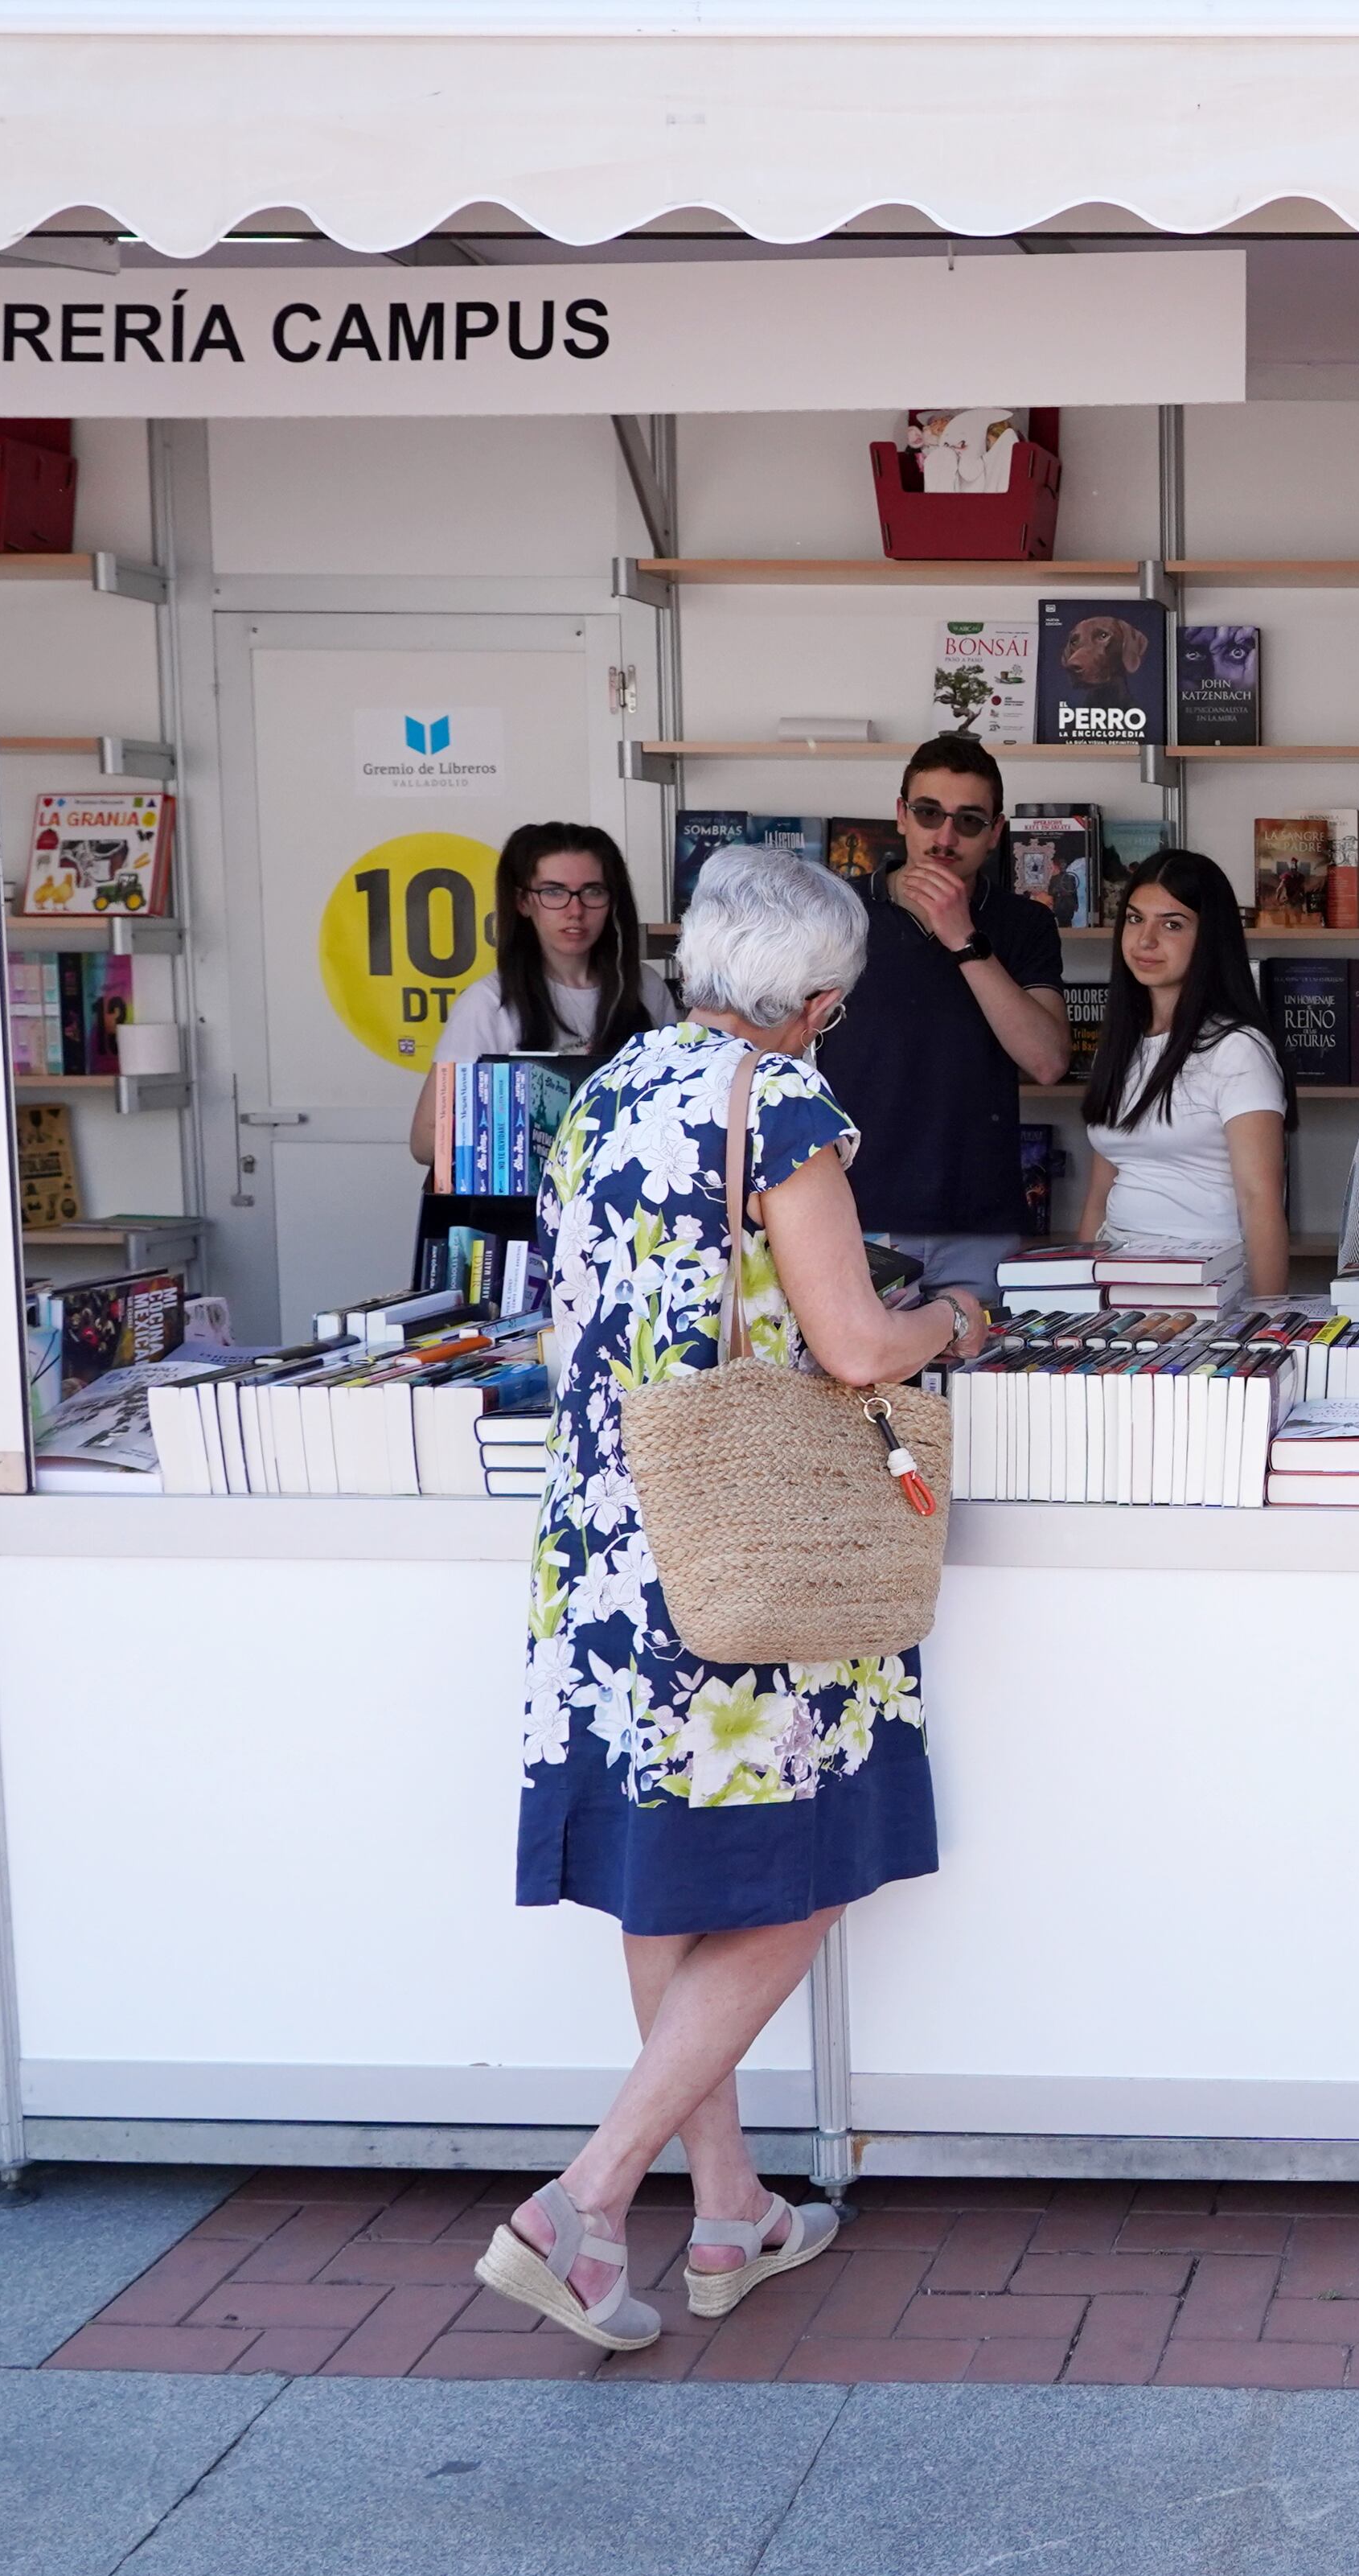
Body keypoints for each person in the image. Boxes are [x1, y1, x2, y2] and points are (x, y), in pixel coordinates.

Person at [481, 844, 987, 2353]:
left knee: (671, 1872)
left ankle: (729, 2211)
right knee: (806, 1862)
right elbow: (851, 1343)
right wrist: (954, 1311)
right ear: (819, 998)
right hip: (750, 1543)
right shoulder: (783, 1102)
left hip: (610, 1539)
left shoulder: (605, 1091)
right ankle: (584, 2198)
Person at [810, 732, 1072, 1304]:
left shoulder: (1024, 924)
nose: (945, 836)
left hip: (977, 1223)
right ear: (901, 815)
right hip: (854, 1216)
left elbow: (1049, 1061)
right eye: (929, 813)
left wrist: (963, 938)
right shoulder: (833, 914)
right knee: (857, 1392)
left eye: (969, 821)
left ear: (996, 832)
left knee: (983, 1392)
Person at [1076, 848, 1295, 1302]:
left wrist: (1267, 1325)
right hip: (1114, 1287)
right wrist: (1075, 1294)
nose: (1145, 941)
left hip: (1205, 1291)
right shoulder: (1120, 1043)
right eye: (1135, 920)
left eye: (1172, 924)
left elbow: (1262, 1202)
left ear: (1209, 938)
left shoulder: (1238, 1048)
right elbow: (1101, 1191)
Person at [404, 822, 674, 1169]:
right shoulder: (487, 1004)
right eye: (553, 892)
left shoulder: (645, 987)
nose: (575, 911)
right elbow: (426, 1143)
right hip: (524, 1209)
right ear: (523, 902)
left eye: (592, 891)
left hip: (627, 1204)